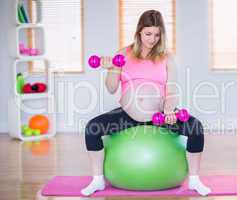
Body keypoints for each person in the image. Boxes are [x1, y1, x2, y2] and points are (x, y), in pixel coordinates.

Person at [81, 10, 211, 196]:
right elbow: (111, 87)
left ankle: (195, 180)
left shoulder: (167, 57)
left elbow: (172, 89)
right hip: (129, 116)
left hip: (160, 116)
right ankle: (97, 180)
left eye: (157, 34)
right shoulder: (123, 54)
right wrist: (112, 68)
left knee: (195, 128)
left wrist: (168, 109)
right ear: (139, 32)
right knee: (92, 128)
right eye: (148, 34)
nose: (152, 39)